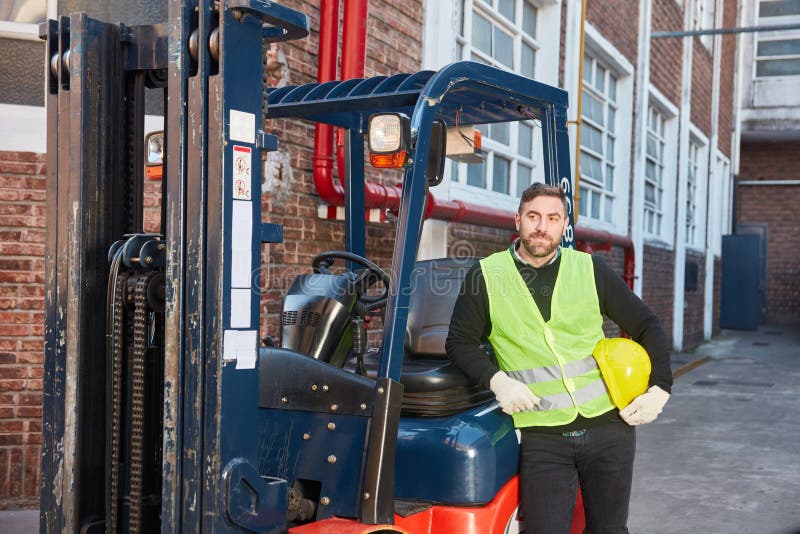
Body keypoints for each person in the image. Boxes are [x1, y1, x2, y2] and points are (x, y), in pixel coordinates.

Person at [446, 183, 672, 534]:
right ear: (518, 219)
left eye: (553, 218)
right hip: (543, 435)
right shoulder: (487, 275)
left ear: (565, 225)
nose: (542, 226)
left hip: (609, 427)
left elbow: (647, 324)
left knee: (610, 530)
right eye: (534, 216)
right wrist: (498, 381)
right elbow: (459, 343)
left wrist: (660, 388)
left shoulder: (589, 269)